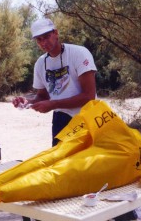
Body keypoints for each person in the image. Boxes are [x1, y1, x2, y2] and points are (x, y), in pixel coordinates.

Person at [13, 18, 97, 146]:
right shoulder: (40, 64)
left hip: (87, 118)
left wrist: (53, 104)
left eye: (46, 36)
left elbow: (89, 96)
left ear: (56, 33)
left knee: (87, 164)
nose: (43, 42)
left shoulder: (79, 53)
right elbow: (42, 96)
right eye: (39, 39)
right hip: (60, 120)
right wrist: (28, 102)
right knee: (61, 164)